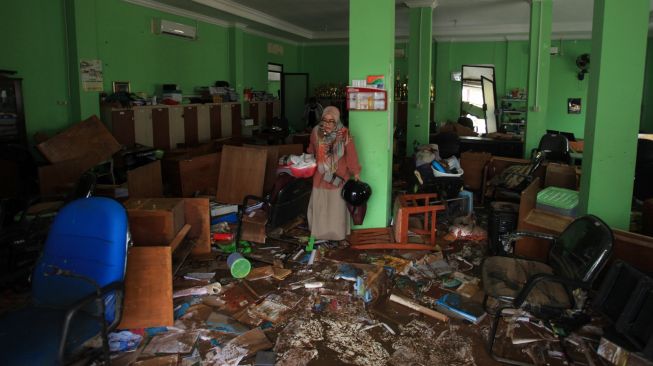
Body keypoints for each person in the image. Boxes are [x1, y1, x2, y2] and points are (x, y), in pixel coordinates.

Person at [306, 106, 361, 241]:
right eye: (325, 120)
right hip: (321, 176)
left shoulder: (344, 134)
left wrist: (356, 172)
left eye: (331, 121)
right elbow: (311, 149)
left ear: (337, 121)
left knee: (336, 208)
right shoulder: (315, 132)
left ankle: (337, 235)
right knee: (320, 206)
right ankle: (319, 234)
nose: (327, 124)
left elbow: (351, 155)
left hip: (339, 177)